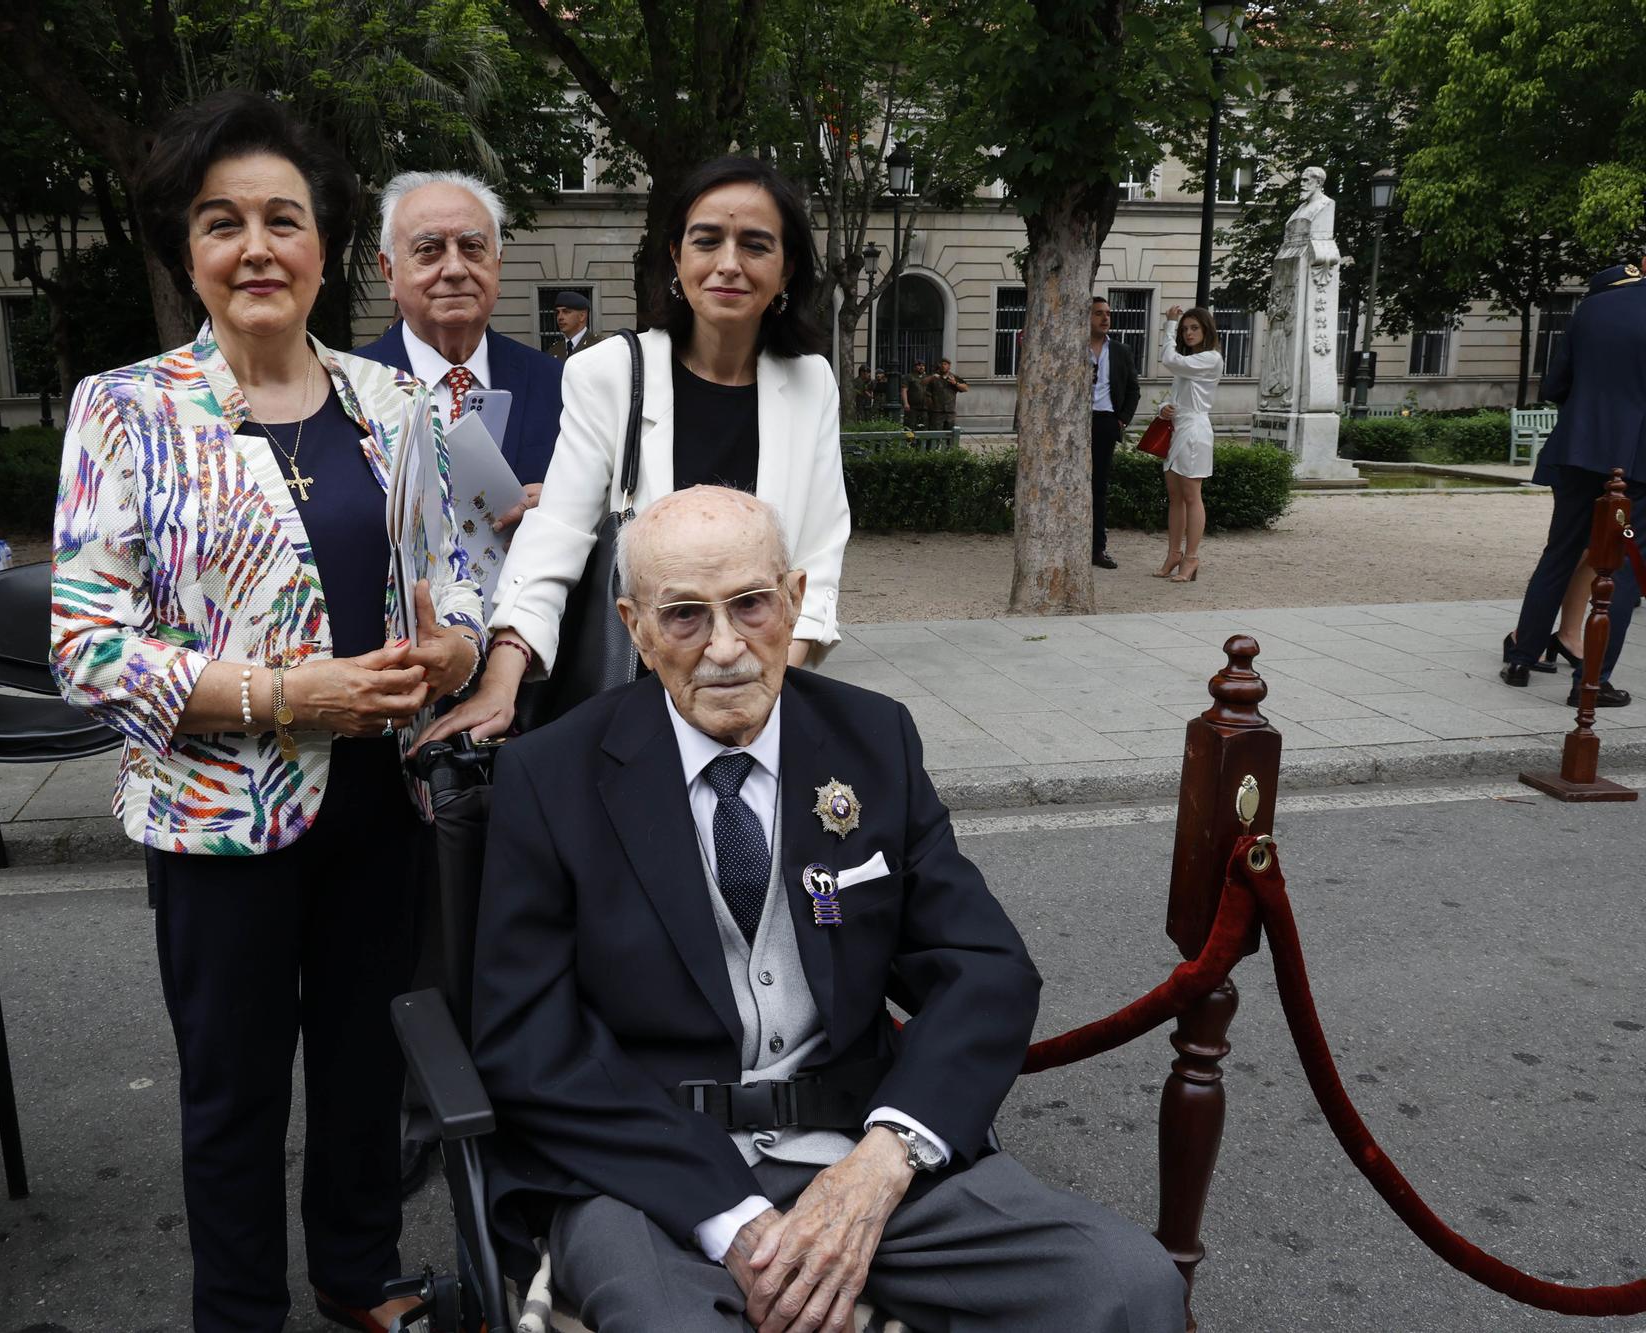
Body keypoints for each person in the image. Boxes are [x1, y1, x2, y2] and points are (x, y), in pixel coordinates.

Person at [470, 485, 1190, 1329]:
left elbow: (986, 969)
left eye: (750, 604)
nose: (727, 647)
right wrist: (732, 1220)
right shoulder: (552, 776)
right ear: (634, 626)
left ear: (796, 599)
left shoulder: (872, 739)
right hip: (645, 1171)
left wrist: (887, 1159)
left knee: (1127, 1284)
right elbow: (527, 1039)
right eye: (685, 617)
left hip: (856, 1147)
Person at [49, 91, 484, 1333]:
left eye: (282, 220)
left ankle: (358, 1274)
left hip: (378, 803)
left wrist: (450, 646)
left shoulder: (390, 405)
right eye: (221, 221)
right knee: (233, 1086)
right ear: (186, 248)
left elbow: (445, 573)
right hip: (215, 819)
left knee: (362, 1064)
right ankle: (236, 1309)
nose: (255, 247)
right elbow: (82, 645)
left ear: (324, 243)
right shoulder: (127, 407)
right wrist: (288, 695)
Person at [421, 154, 851, 744]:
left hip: (763, 694)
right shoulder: (612, 372)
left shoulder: (810, 383)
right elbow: (557, 536)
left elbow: (819, 556)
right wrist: (501, 681)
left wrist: (768, 692)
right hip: (641, 692)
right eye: (707, 241)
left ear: (787, 267)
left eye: (755, 245)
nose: (729, 264)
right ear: (677, 256)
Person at [352, 170, 565, 516]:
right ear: (389, 272)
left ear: (497, 266)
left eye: (472, 247)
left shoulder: (558, 385)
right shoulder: (346, 390)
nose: (454, 269)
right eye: (429, 250)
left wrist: (564, 508)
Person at [1503, 254, 1646, 706]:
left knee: (1559, 553)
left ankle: (1522, 658)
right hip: (1636, 466)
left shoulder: (1593, 306)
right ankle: (1592, 680)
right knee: (1622, 561)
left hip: (1579, 453)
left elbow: (1555, 385)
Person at [1155, 305, 1223, 583]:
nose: (1188, 333)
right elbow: (1174, 395)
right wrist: (1163, 409)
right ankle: (1174, 553)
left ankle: (1192, 557)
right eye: (1185, 328)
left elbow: (1168, 359)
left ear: (1206, 330)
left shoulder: (1210, 358)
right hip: (1178, 428)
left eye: (1194, 328)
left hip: (1195, 430)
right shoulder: (1191, 361)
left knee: (1192, 495)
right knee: (1175, 497)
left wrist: (1169, 325)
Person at [1088, 295, 1142, 570]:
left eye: (1108, 313)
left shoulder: (1120, 351)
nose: (1105, 318)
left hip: (1107, 422)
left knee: (1098, 487)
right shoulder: (1071, 348)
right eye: (1099, 313)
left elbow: (1134, 389)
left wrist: (1122, 419)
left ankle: (1098, 549)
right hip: (1074, 424)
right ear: (1087, 318)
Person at [547, 289, 604, 361]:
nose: (560, 317)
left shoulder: (599, 346)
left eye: (566, 312)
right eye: (558, 312)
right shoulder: (554, 349)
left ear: (582, 316)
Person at [923, 356, 968, 433]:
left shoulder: (953, 377)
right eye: (941, 364)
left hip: (950, 412)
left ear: (949, 366)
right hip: (937, 412)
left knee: (949, 436)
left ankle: (949, 445)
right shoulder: (934, 378)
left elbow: (965, 388)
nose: (943, 366)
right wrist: (933, 376)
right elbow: (923, 383)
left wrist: (955, 383)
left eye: (945, 364)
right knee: (935, 436)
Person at [900, 358, 928, 430]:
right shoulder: (909, 377)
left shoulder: (927, 377)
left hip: (925, 407)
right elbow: (904, 390)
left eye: (923, 365)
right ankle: (910, 441)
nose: (921, 367)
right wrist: (906, 403)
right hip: (912, 407)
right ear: (914, 367)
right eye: (919, 365)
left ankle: (921, 441)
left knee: (924, 427)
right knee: (910, 427)